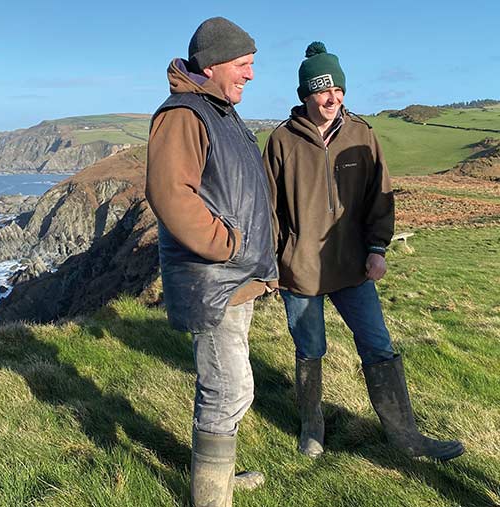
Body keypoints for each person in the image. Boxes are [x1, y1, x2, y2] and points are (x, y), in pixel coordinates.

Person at [262, 41, 464, 462]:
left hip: (354, 266)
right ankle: (312, 429)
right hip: (300, 271)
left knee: (378, 345)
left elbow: (380, 198)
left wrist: (377, 249)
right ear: (305, 95)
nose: (332, 98)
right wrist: (271, 264)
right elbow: (269, 209)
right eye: (322, 90)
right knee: (310, 350)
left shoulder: (362, 135)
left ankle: (405, 437)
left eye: (338, 90)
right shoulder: (282, 140)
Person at [145, 17, 278, 506]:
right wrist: (228, 244)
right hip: (214, 278)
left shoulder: (218, 111)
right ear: (215, 63)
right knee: (228, 389)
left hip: (234, 279)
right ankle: (210, 498)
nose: (250, 74)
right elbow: (169, 193)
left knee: (232, 386)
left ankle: (217, 480)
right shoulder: (185, 114)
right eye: (244, 64)